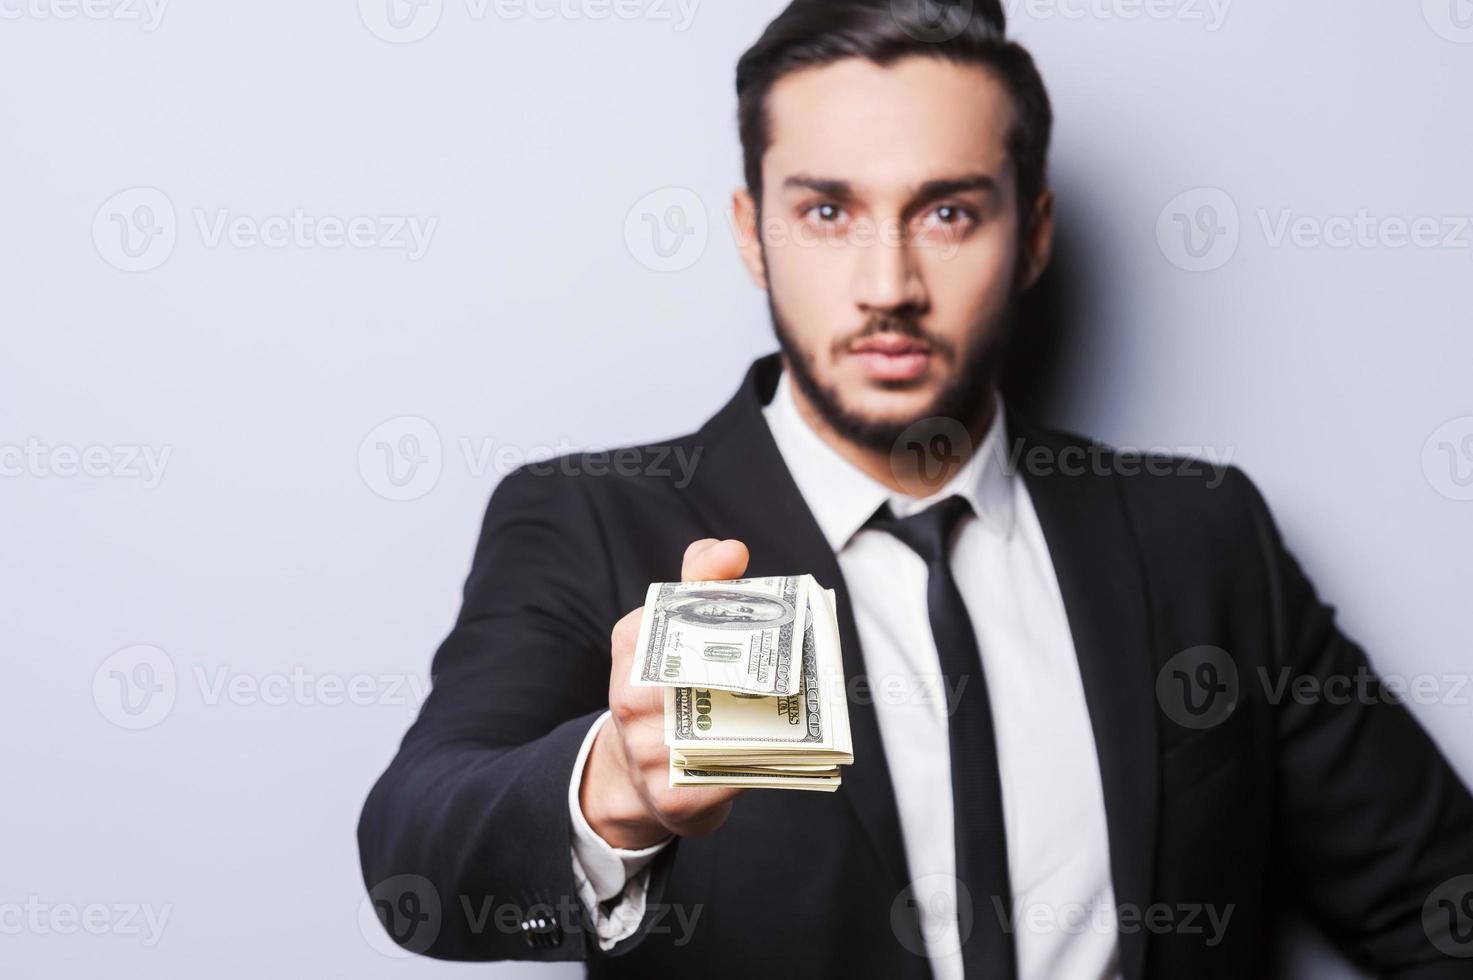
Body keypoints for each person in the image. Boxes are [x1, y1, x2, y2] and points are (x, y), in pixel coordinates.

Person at [358, 2, 1473, 976]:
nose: (887, 286)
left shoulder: (1202, 533)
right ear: (754, 233)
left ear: (1031, 233)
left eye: (948, 211)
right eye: (828, 211)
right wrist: (613, 789)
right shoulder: (600, 520)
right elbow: (418, 845)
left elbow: (1440, 907)